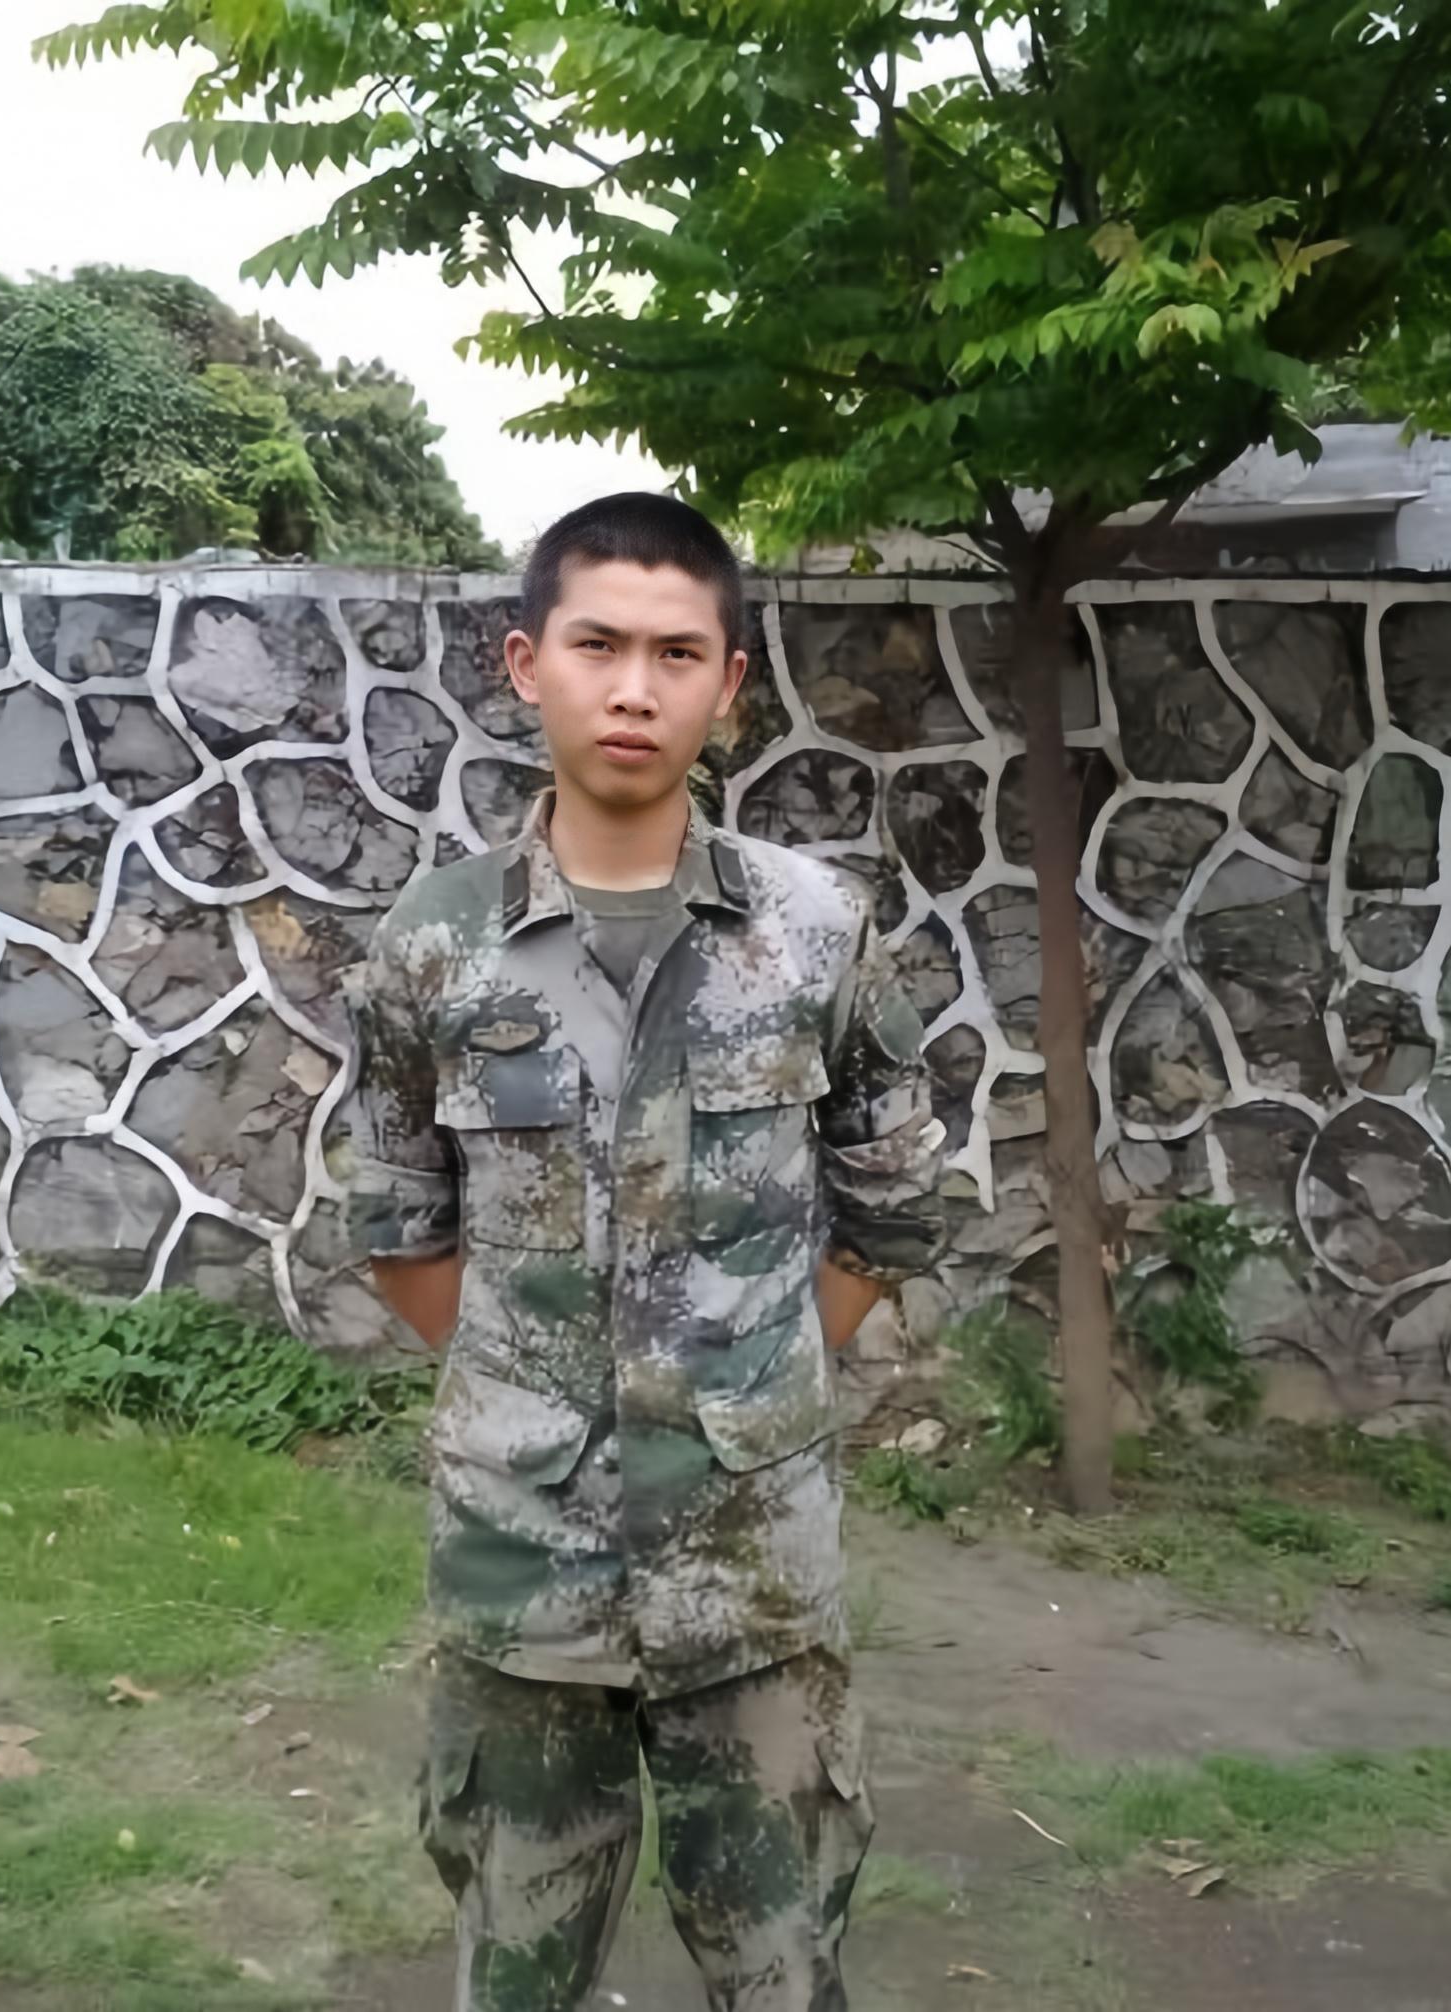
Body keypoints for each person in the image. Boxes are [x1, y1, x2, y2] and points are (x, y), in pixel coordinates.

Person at [347, 492, 947, 2012]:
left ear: (729, 686)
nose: (634, 689)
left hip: (754, 1567)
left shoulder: (815, 930)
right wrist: (539, 1389)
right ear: (525, 664)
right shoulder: (435, 942)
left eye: (677, 654)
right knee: (519, 1966)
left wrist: (750, 1382)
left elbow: (894, 1199)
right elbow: (402, 1224)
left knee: (784, 1967)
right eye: (597, 645)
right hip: (522, 1564)